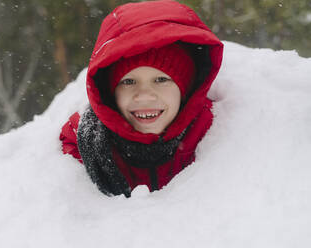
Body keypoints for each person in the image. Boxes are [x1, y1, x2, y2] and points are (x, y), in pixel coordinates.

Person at [59, 0, 223, 197]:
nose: (144, 95)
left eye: (161, 79)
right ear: (111, 92)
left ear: (186, 90)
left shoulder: (212, 129)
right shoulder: (90, 140)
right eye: (129, 82)